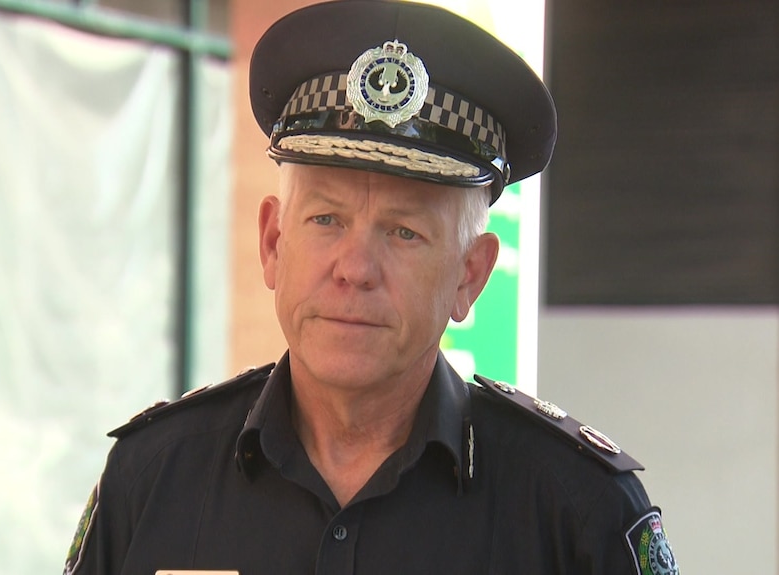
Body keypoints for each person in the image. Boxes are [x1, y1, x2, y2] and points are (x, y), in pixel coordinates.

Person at [64, 1, 679, 574]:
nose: (355, 268)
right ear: (274, 242)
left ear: (471, 274)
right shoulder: (151, 480)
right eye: (325, 220)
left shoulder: (577, 511)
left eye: (404, 232)